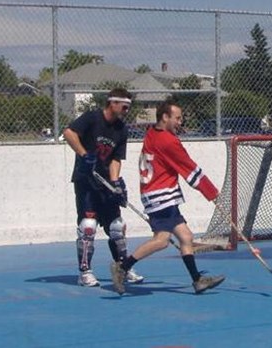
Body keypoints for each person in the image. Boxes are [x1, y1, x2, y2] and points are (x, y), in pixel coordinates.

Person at [110, 98, 225, 295]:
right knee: (162, 240)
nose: (181, 122)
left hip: (159, 195)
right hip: (161, 196)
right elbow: (190, 170)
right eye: (177, 118)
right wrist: (213, 194)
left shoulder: (152, 133)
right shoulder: (168, 141)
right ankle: (123, 267)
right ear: (165, 117)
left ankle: (197, 280)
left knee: (186, 237)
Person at [64, 88, 144, 287]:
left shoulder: (121, 129)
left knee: (117, 227)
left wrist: (115, 183)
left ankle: (122, 267)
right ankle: (84, 272)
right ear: (113, 103)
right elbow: (69, 133)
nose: (126, 110)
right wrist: (84, 155)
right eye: (124, 106)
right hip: (86, 182)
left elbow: (116, 158)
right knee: (88, 227)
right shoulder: (92, 118)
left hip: (105, 184)